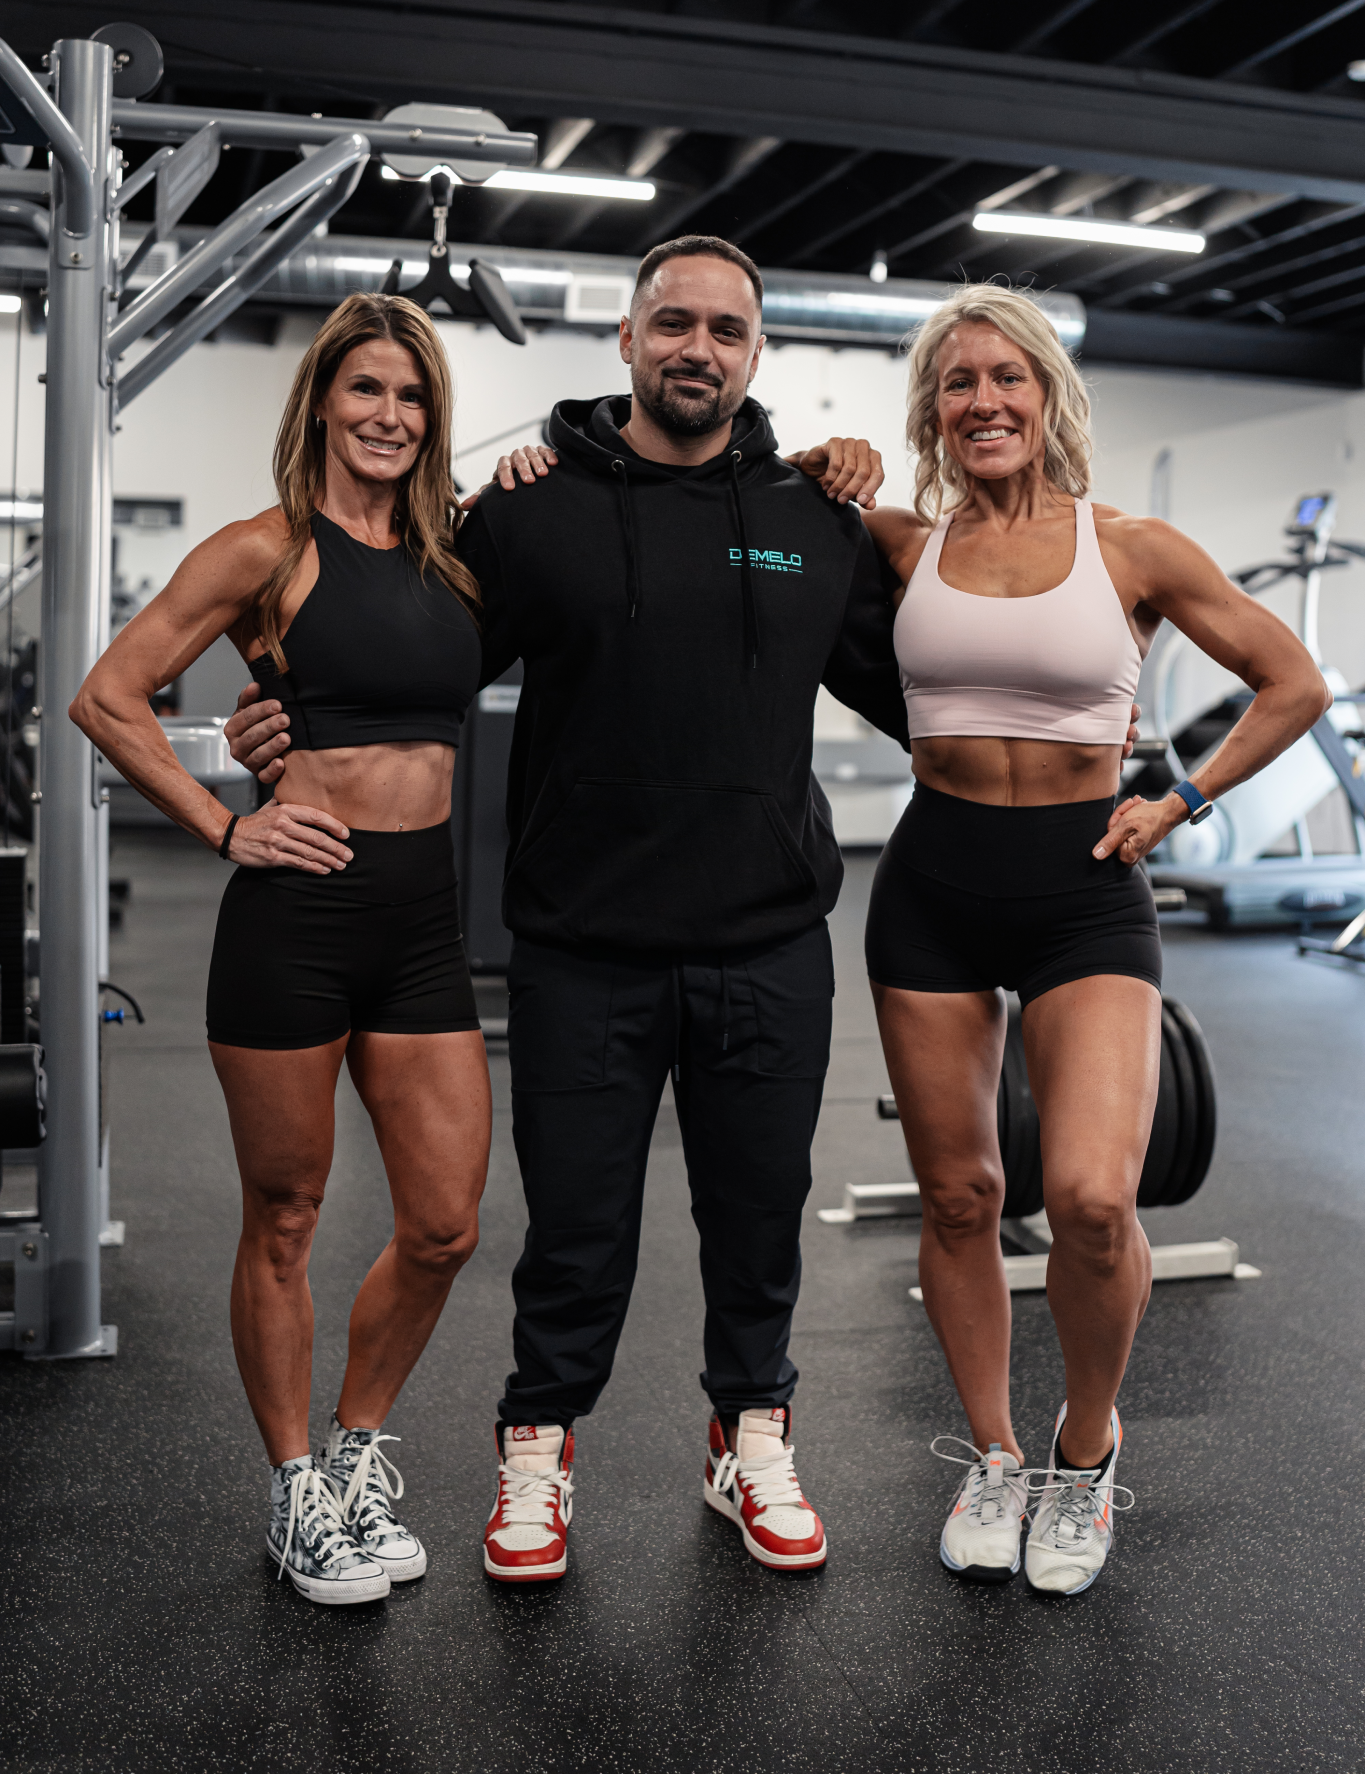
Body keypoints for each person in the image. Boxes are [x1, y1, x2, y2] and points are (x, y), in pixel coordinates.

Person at [226, 234, 904, 1583]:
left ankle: (750, 1438)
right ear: (629, 340)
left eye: (725, 329)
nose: (697, 349)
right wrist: (275, 724)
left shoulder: (809, 516)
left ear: (755, 351)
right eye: (673, 325)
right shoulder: (530, 513)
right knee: (574, 1230)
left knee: (763, 1212)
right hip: (584, 946)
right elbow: (400, 651)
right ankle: (536, 1451)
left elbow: (924, 690)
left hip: (771, 940)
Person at [860, 283, 1328, 1597]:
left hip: (1085, 887)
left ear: (1049, 396)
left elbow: (1296, 681)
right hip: (935, 884)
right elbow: (738, 543)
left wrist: (1181, 797)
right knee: (961, 1195)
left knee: (1092, 1199)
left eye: (1008, 378)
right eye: (959, 382)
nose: (984, 400)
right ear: (933, 410)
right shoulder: (901, 545)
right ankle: (996, 1457)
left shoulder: (1131, 547)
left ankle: (1084, 1450)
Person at [72, 293, 491, 1606]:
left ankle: (360, 1447)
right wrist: (221, 827)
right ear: (319, 402)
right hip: (295, 919)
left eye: (413, 397)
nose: (389, 417)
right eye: (366, 390)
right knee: (289, 1213)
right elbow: (108, 693)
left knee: (443, 1224)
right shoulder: (265, 550)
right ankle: (295, 1485)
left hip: (423, 921)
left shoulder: (454, 555)